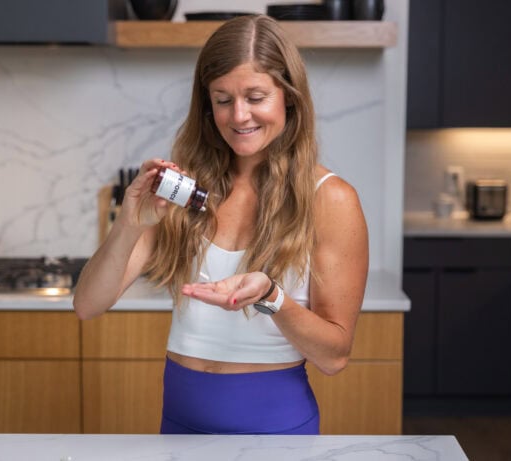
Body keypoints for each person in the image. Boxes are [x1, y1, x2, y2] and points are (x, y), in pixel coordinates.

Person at [73, 14, 368, 435]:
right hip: (178, 423)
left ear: (288, 96)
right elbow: (88, 305)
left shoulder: (330, 198)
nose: (239, 115)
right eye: (223, 99)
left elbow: (335, 357)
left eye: (255, 96)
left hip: (276, 431)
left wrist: (270, 296)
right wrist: (129, 223)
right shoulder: (186, 189)